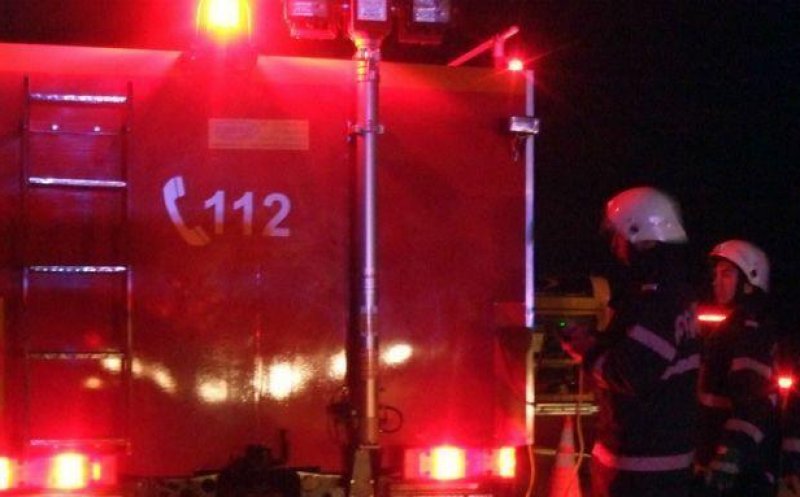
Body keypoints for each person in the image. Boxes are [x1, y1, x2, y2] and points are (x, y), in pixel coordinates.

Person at [560, 186, 700, 497]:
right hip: (662, 462)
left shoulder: (656, 298)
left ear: (639, 234)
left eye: (619, 236)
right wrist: (600, 343)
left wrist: (586, 351)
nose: (615, 245)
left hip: (640, 467)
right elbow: (644, 355)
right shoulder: (675, 291)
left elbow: (631, 373)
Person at [694, 240, 779, 497]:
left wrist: (728, 456)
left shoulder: (747, 332)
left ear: (749, 283)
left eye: (727, 274)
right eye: (715, 275)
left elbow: (753, 403)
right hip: (728, 464)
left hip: (739, 474)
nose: (716, 282)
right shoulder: (733, 328)